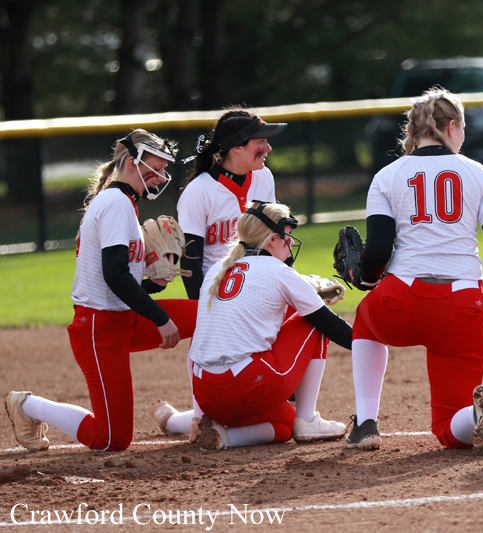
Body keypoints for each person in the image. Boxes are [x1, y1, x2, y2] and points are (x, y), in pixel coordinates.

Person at [344, 87, 483, 454]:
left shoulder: (388, 175)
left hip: (402, 298)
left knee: (365, 323)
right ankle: (473, 417)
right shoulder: (478, 172)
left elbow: (378, 251)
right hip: (463, 304)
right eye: (463, 127)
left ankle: (365, 424)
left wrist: (366, 278)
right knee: (448, 428)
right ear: (451, 126)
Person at [5, 129, 197, 452]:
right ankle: (27, 405)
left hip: (125, 317)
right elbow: (114, 276)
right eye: (157, 166)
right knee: (112, 439)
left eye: (165, 168)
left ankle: (207, 412)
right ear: (133, 162)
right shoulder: (115, 203)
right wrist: (160, 317)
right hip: (99, 328)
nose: (162, 175)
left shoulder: (124, 203)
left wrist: (153, 285)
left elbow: (119, 280)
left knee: (211, 315)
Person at [184, 201, 351, 451]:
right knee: (313, 321)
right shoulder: (277, 269)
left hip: (206, 395)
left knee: (285, 424)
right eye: (287, 236)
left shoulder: (217, 269)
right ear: (272, 239)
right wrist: (368, 340)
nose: (290, 243)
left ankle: (224, 438)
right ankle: (308, 420)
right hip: (248, 387)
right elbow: (330, 325)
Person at [178, 107, 285, 300]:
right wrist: (199, 307)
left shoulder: (263, 176)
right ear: (237, 147)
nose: (268, 147)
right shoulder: (198, 190)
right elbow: (190, 260)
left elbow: (273, 240)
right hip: (217, 294)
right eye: (260, 141)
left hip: (258, 287)